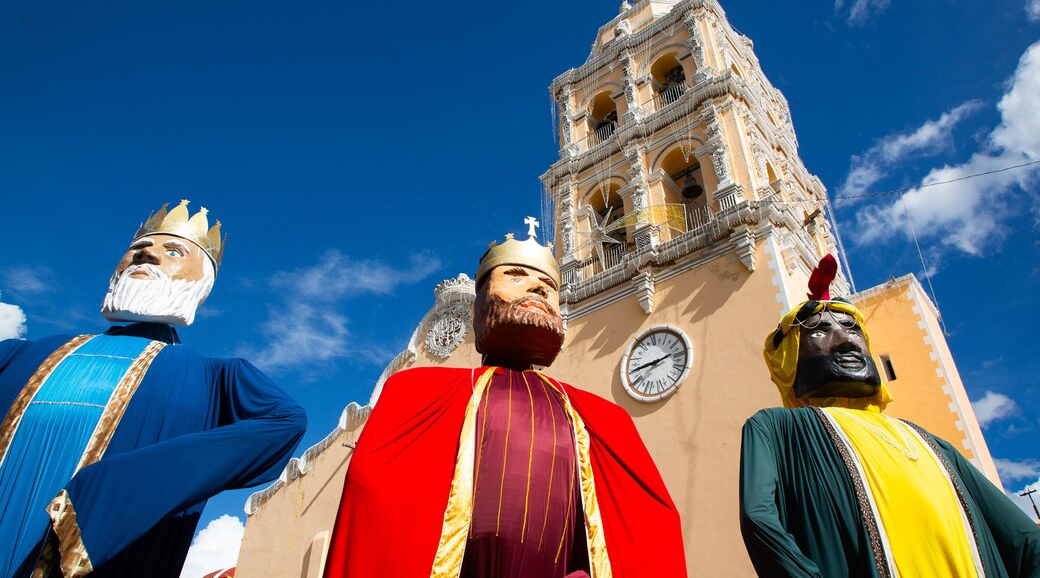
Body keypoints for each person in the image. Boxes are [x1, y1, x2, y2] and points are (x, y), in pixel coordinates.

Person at [323, 222, 687, 578]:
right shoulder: (416, 392)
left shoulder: (604, 418)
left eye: (548, 285)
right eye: (515, 274)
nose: (538, 289)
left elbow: (648, 524)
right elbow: (373, 501)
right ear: (479, 302)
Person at [0, 200, 307, 577]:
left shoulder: (214, 377)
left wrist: (119, 488)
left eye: (173, 251)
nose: (147, 254)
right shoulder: (22, 353)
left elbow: (283, 420)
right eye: (137, 249)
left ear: (202, 282)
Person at [739, 254, 1040, 577]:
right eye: (818, 330)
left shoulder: (929, 442)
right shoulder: (778, 428)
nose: (844, 340)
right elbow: (759, 518)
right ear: (787, 361)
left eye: (853, 328)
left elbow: (1025, 540)